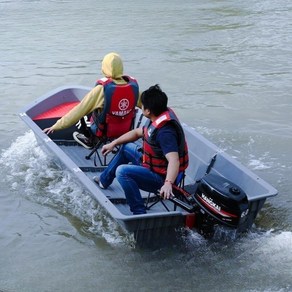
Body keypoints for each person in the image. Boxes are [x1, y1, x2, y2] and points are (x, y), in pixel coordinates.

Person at [94, 84, 189, 215]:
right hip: (152, 165)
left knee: (122, 172)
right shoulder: (157, 116)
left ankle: (139, 212)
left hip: (161, 177)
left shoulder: (165, 132)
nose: (140, 106)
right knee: (126, 147)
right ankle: (104, 180)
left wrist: (167, 183)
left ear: (148, 111)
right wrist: (113, 143)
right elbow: (137, 132)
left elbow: (174, 161)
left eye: (142, 105)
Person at [43, 52, 139, 149]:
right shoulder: (133, 88)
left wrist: (56, 126)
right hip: (126, 130)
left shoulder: (101, 90)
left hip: (104, 131)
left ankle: (90, 140)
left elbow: (78, 111)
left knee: (86, 110)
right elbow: (146, 106)